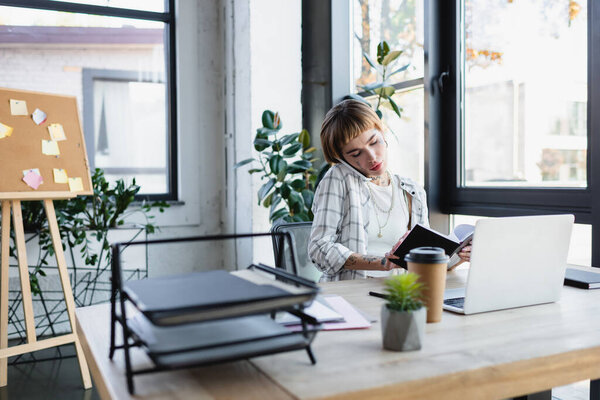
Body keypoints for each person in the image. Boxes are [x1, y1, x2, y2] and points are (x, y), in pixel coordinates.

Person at [308, 99, 470, 281]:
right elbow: (319, 248)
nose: (372, 156)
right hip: (352, 291)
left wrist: (459, 256)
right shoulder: (338, 179)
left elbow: (423, 263)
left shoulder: (412, 192)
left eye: (374, 142)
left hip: (400, 292)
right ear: (341, 159)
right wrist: (382, 263)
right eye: (356, 154)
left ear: (382, 131)